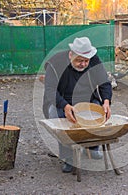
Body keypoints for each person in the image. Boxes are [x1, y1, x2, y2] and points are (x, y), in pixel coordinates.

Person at [42, 37, 112, 173]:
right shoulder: (55, 63)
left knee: (98, 111)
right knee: (56, 115)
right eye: (79, 60)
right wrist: (65, 106)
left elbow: (104, 82)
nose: (83, 64)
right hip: (62, 101)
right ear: (71, 55)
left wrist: (107, 101)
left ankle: (91, 147)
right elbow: (50, 90)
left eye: (86, 61)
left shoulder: (94, 60)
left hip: (88, 99)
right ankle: (68, 157)